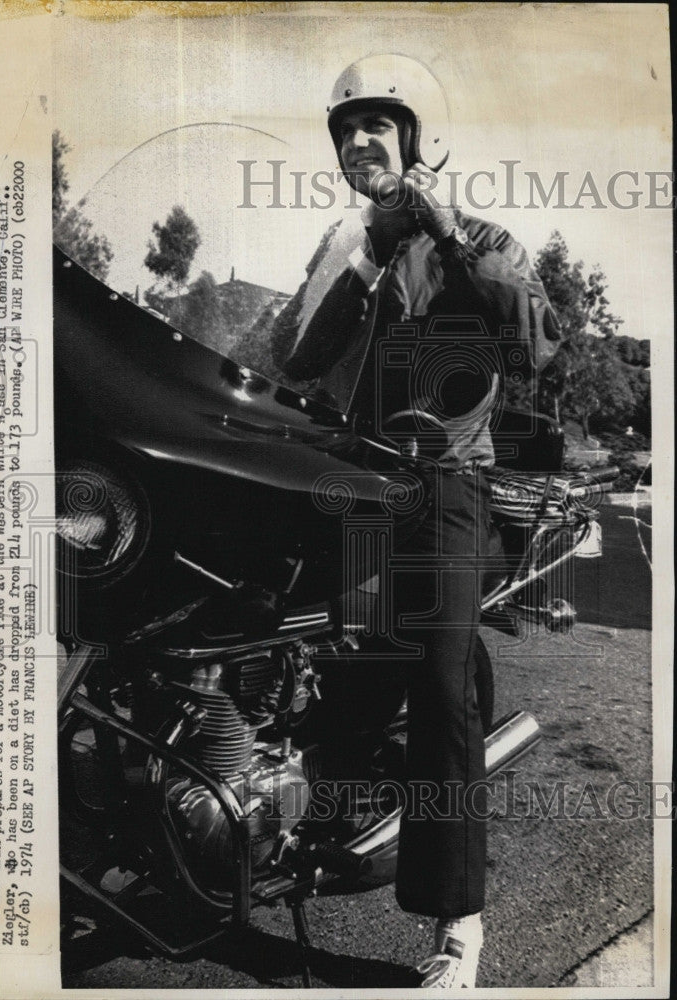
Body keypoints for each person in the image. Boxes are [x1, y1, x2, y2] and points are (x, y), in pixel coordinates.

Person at [270, 53, 561, 988]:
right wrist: (364, 252)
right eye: (345, 128)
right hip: (358, 490)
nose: (359, 141)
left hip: (446, 485)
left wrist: (442, 229)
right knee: (339, 670)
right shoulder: (346, 247)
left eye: (377, 127)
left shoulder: (478, 237)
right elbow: (299, 357)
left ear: (415, 140)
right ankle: (300, 837)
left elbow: (537, 344)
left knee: (440, 691)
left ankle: (457, 927)